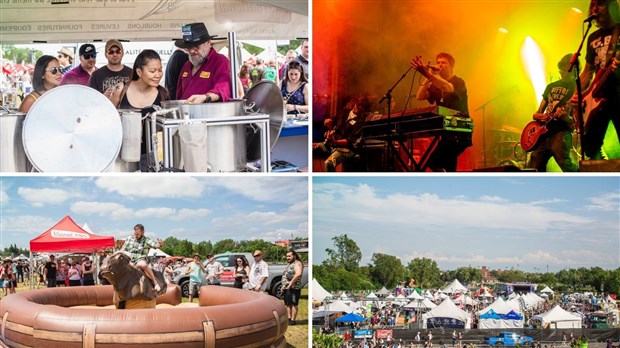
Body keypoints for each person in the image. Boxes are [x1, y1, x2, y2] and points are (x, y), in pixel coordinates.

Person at [571, 0, 620, 160]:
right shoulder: (592, 37)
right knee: (590, 148)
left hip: (618, 94)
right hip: (598, 97)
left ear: (611, 6)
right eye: (592, 5)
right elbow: (588, 72)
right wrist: (578, 93)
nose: (594, 9)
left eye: (599, 4)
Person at [410, 52, 472, 171]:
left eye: (443, 62)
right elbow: (420, 96)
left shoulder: (458, 81)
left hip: (461, 129)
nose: (439, 65)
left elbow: (447, 87)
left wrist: (428, 74)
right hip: (447, 131)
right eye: (438, 62)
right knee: (448, 166)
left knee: (435, 162)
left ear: (451, 66)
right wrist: (428, 75)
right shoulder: (435, 84)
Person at [528, 54, 579, 172]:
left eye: (566, 71)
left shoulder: (576, 87)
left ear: (572, 70)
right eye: (561, 71)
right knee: (535, 161)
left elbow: (576, 121)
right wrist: (536, 116)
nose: (563, 74)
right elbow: (538, 112)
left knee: (564, 163)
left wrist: (566, 117)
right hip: (544, 133)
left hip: (560, 131)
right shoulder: (551, 86)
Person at [174, 22, 231, 103]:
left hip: (209, 114)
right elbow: (179, 94)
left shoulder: (220, 61)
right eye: (189, 47)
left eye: (196, 46)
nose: (192, 51)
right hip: (186, 113)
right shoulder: (187, 65)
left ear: (208, 43)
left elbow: (223, 88)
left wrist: (205, 97)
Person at [313, 95, 370, 171]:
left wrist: (335, 142)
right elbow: (332, 123)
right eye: (358, 104)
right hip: (332, 145)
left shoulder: (361, 122)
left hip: (347, 150)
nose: (360, 107)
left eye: (363, 106)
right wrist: (327, 123)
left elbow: (350, 141)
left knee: (329, 163)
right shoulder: (343, 112)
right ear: (354, 103)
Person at [119, 223, 164, 292]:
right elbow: (123, 249)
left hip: (140, 259)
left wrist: (160, 244)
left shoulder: (146, 240)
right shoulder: (129, 238)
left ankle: (155, 282)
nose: (136, 236)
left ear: (142, 232)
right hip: (129, 260)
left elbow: (155, 245)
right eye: (135, 234)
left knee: (142, 265)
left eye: (138, 234)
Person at [282, 250, 304, 326]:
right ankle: (289, 318)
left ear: (294, 256)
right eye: (287, 256)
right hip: (287, 287)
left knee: (294, 304)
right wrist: (284, 286)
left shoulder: (297, 263)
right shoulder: (289, 264)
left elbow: (298, 274)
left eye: (289, 256)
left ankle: (293, 320)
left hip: (294, 287)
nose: (288, 257)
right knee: (288, 304)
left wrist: (291, 284)